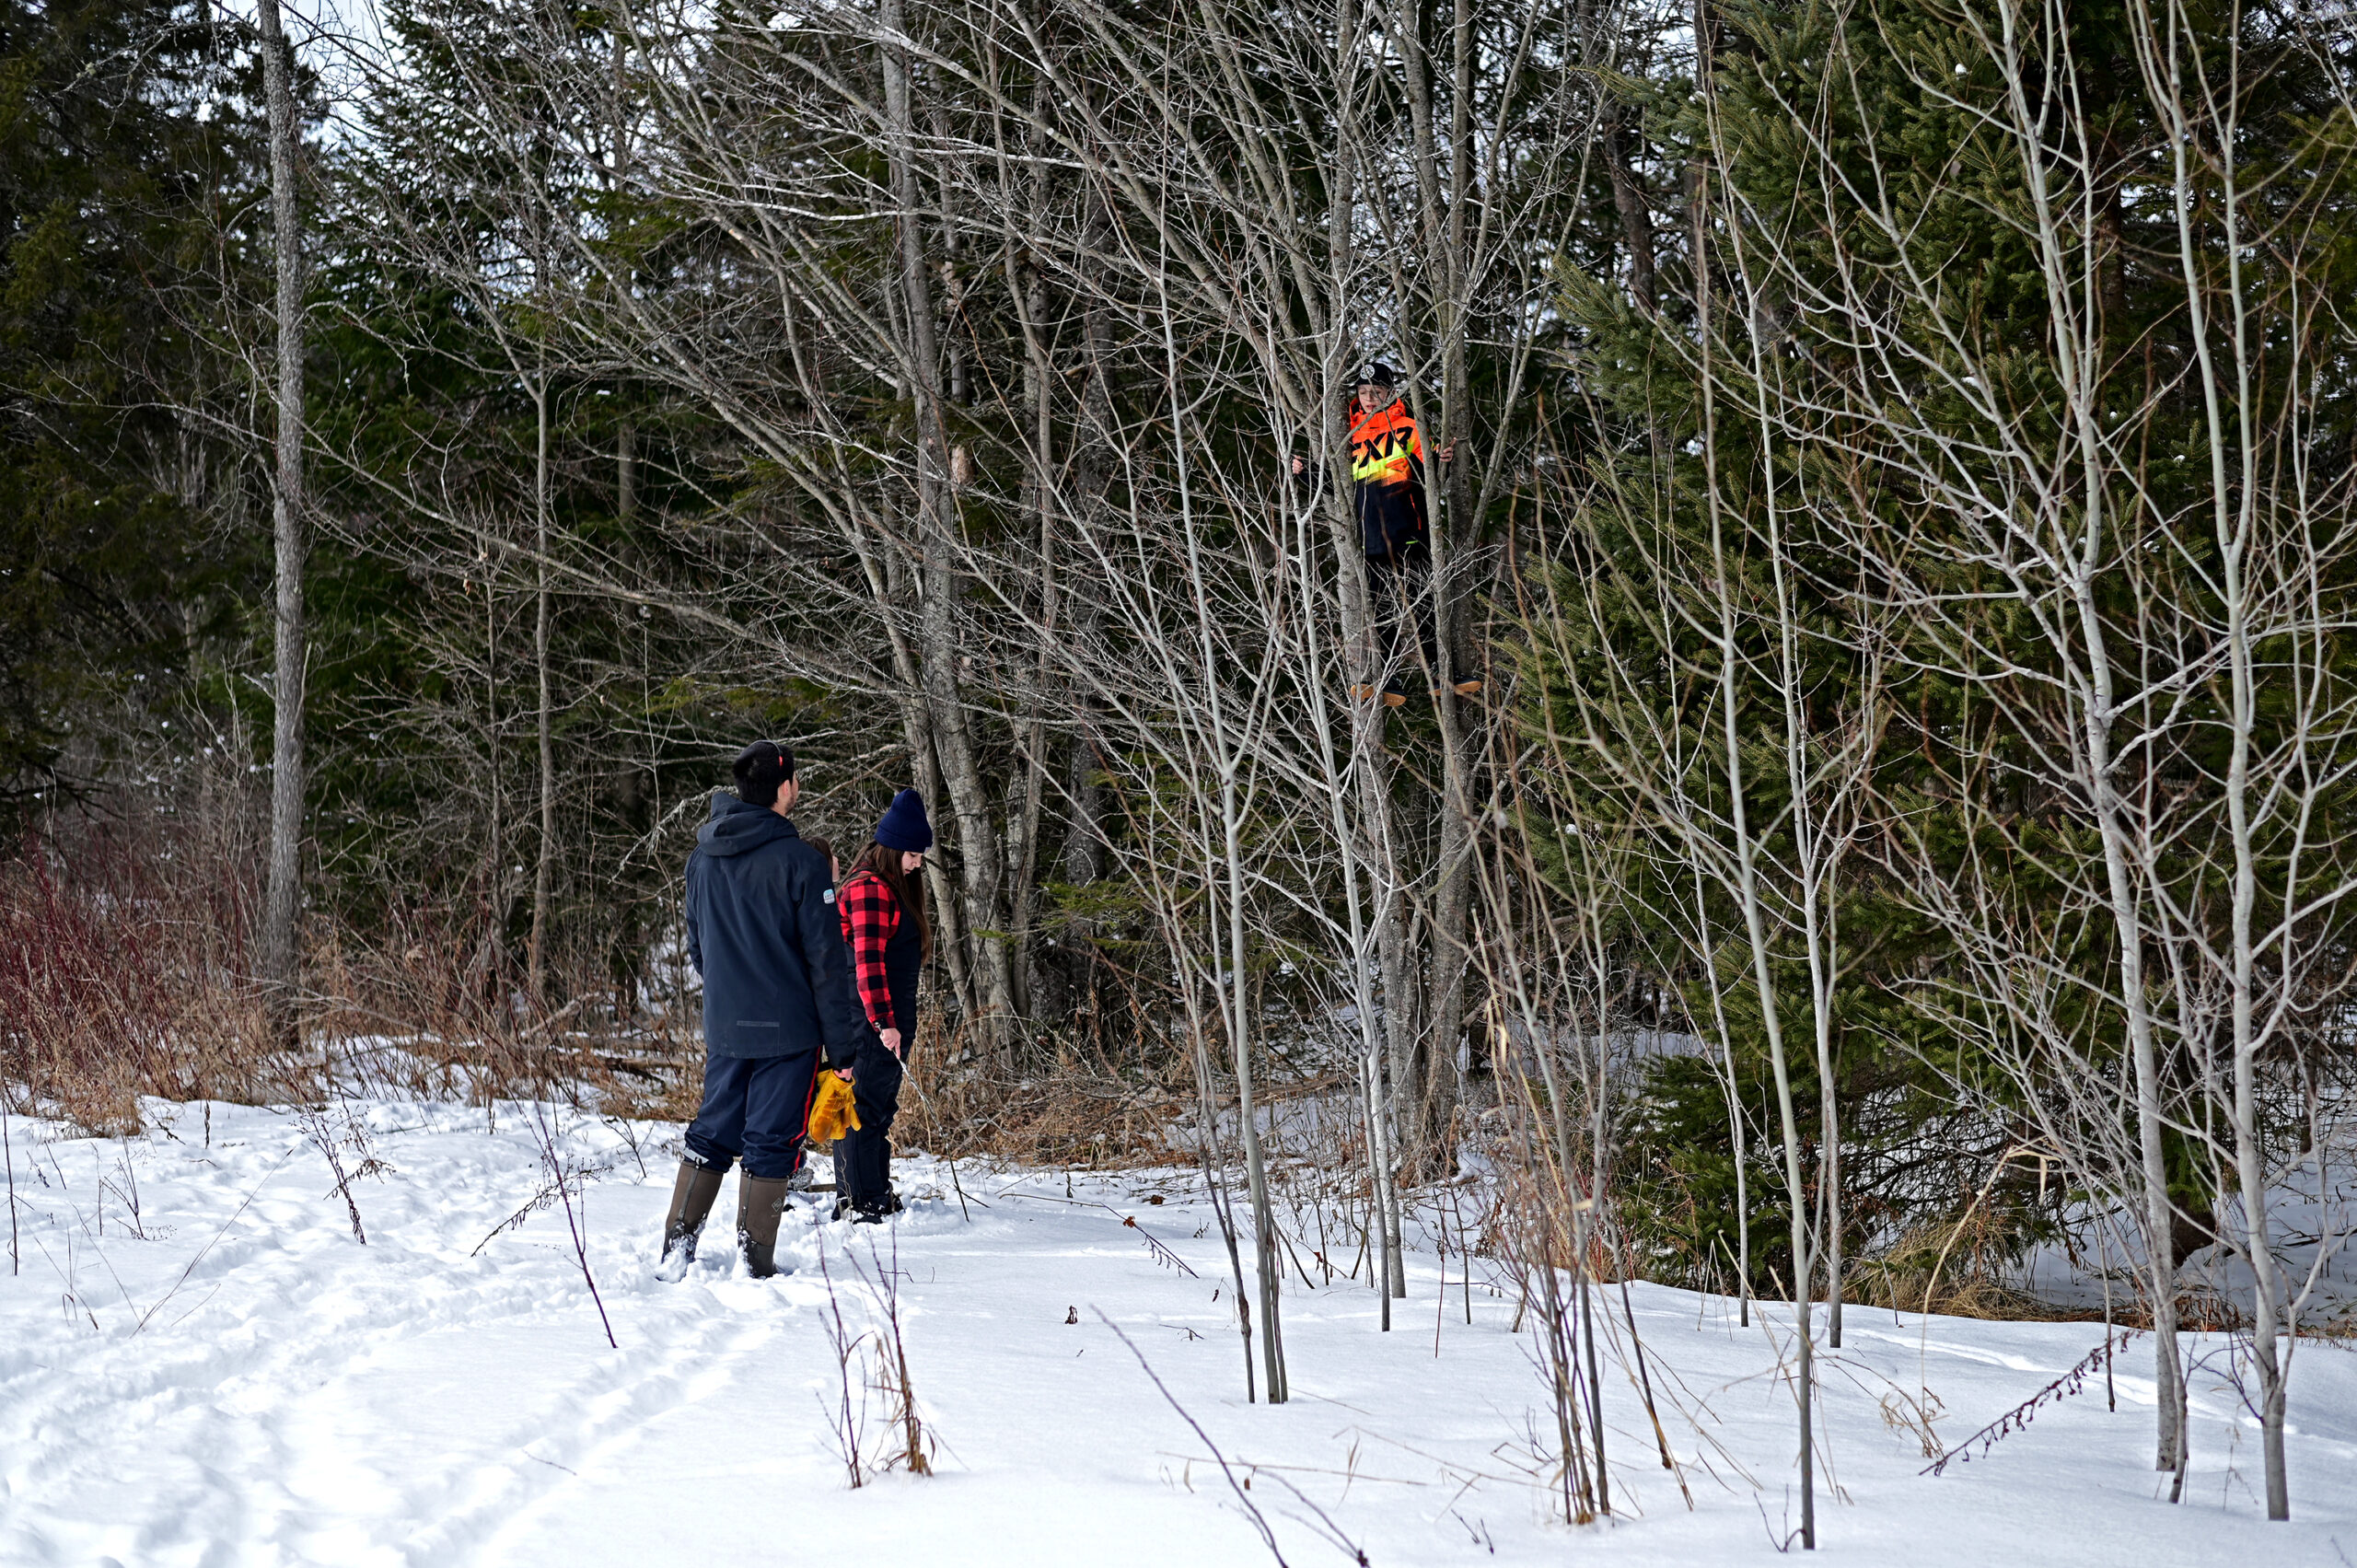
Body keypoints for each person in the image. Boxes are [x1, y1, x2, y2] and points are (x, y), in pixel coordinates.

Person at [656, 739, 869, 1279]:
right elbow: (826, 961)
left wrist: (733, 995)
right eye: (796, 780)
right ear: (784, 788)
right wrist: (843, 1051)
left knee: (711, 1133)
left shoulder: (701, 858)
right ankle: (755, 1264)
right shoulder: (801, 861)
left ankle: (677, 1250)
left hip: (727, 1027)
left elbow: (698, 948)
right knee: (771, 1141)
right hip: (788, 1033)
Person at [1293, 362, 1479, 705]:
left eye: (1376, 391)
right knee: (1381, 611)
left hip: (1409, 528)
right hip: (1371, 536)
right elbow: (1341, 486)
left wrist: (1443, 460)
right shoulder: (1350, 436)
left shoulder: (1408, 427)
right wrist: (1307, 474)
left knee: (1423, 603)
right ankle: (1387, 678)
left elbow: (1432, 475)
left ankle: (1441, 672)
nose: (1368, 398)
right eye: (1363, 392)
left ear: (1390, 392)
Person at [832, 789, 934, 1223]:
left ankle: (873, 1191)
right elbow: (867, 962)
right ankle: (858, 1200)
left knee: (878, 1109)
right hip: (872, 1021)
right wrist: (883, 1023)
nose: (917, 863)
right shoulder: (870, 888)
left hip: (887, 1018)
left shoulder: (889, 884)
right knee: (863, 1109)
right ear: (893, 848)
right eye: (913, 854)